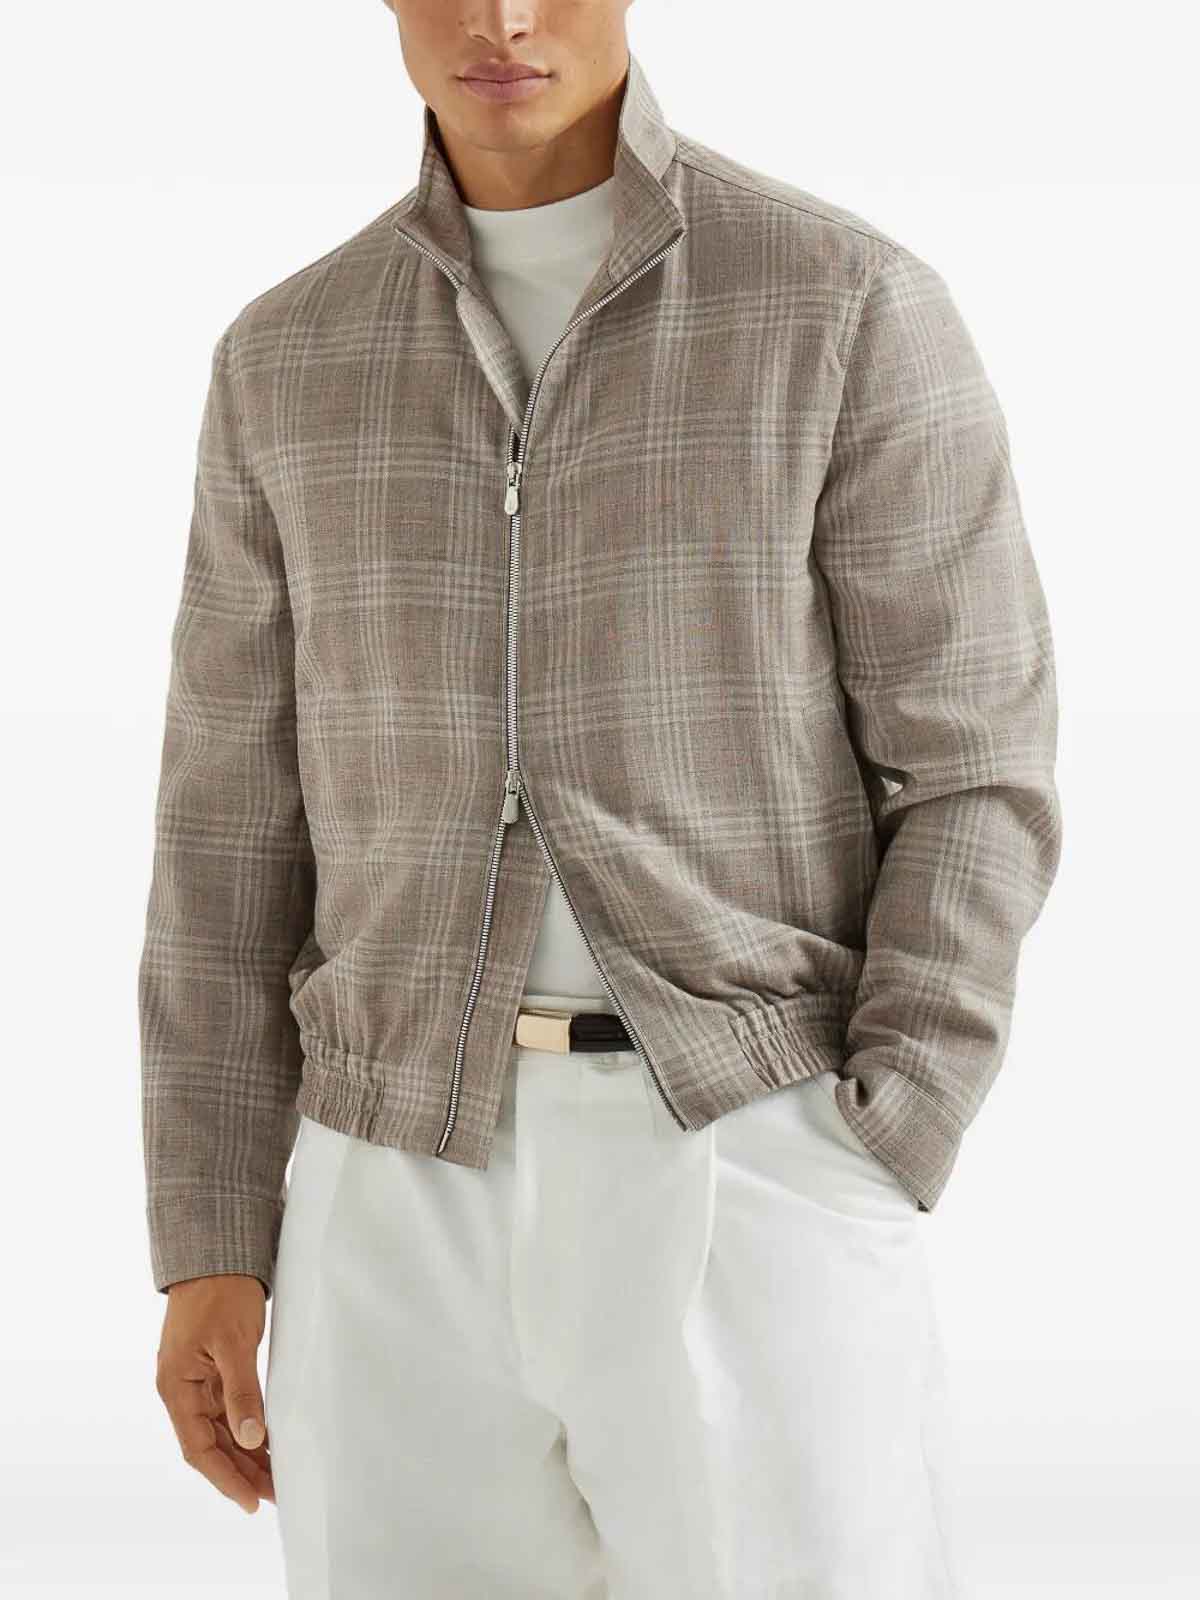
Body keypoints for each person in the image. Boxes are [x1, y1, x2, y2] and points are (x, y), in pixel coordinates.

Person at [139, 4, 1063, 1595]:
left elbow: (976, 761)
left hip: (741, 1154)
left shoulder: (837, 304)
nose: (501, 17)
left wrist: (885, 1127)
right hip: (386, 1182)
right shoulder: (288, 355)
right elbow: (227, 825)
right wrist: (212, 1231)